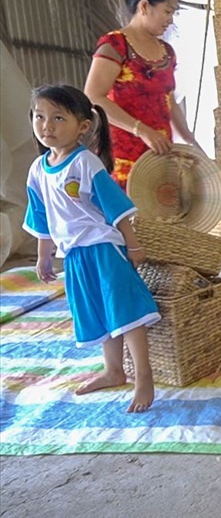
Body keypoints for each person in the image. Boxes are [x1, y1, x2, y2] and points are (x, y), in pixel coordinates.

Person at [23, 85, 158, 413]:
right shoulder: (38, 169)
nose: (47, 126)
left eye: (58, 118)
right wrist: (44, 255)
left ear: (83, 126)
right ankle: (114, 371)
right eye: (39, 117)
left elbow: (115, 208)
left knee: (125, 312)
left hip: (102, 249)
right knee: (97, 312)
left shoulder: (86, 163)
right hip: (73, 255)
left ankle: (144, 376)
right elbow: (41, 218)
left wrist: (134, 245)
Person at [84, 0, 202, 190]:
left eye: (173, 13)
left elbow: (169, 101)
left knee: (162, 219)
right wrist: (142, 130)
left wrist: (190, 142)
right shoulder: (115, 45)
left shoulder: (167, 51)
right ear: (145, 6)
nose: (170, 20)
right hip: (123, 156)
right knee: (129, 218)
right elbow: (93, 97)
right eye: (167, 11)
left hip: (160, 153)